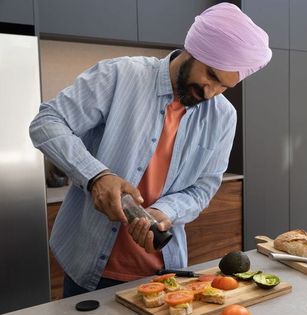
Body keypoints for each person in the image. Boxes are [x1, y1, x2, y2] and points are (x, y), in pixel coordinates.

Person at [29, 2, 271, 297]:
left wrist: (162, 212)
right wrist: (96, 176)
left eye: (223, 86)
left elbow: (203, 189)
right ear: (192, 49)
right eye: (210, 74)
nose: (210, 92)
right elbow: (47, 121)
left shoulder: (223, 117)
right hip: (89, 269)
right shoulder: (120, 75)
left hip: (166, 271)